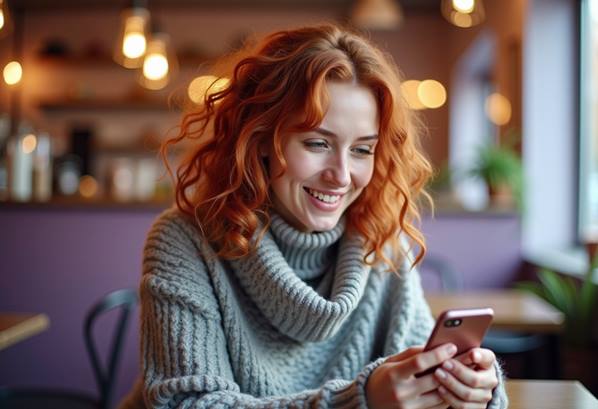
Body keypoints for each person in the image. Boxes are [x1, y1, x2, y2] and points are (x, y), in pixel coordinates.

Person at [119, 24, 508, 409]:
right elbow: (189, 404)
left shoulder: (380, 242)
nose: (341, 175)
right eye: (318, 143)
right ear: (260, 139)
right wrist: (361, 401)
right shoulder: (185, 240)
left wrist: (472, 389)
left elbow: (421, 368)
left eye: (361, 150)